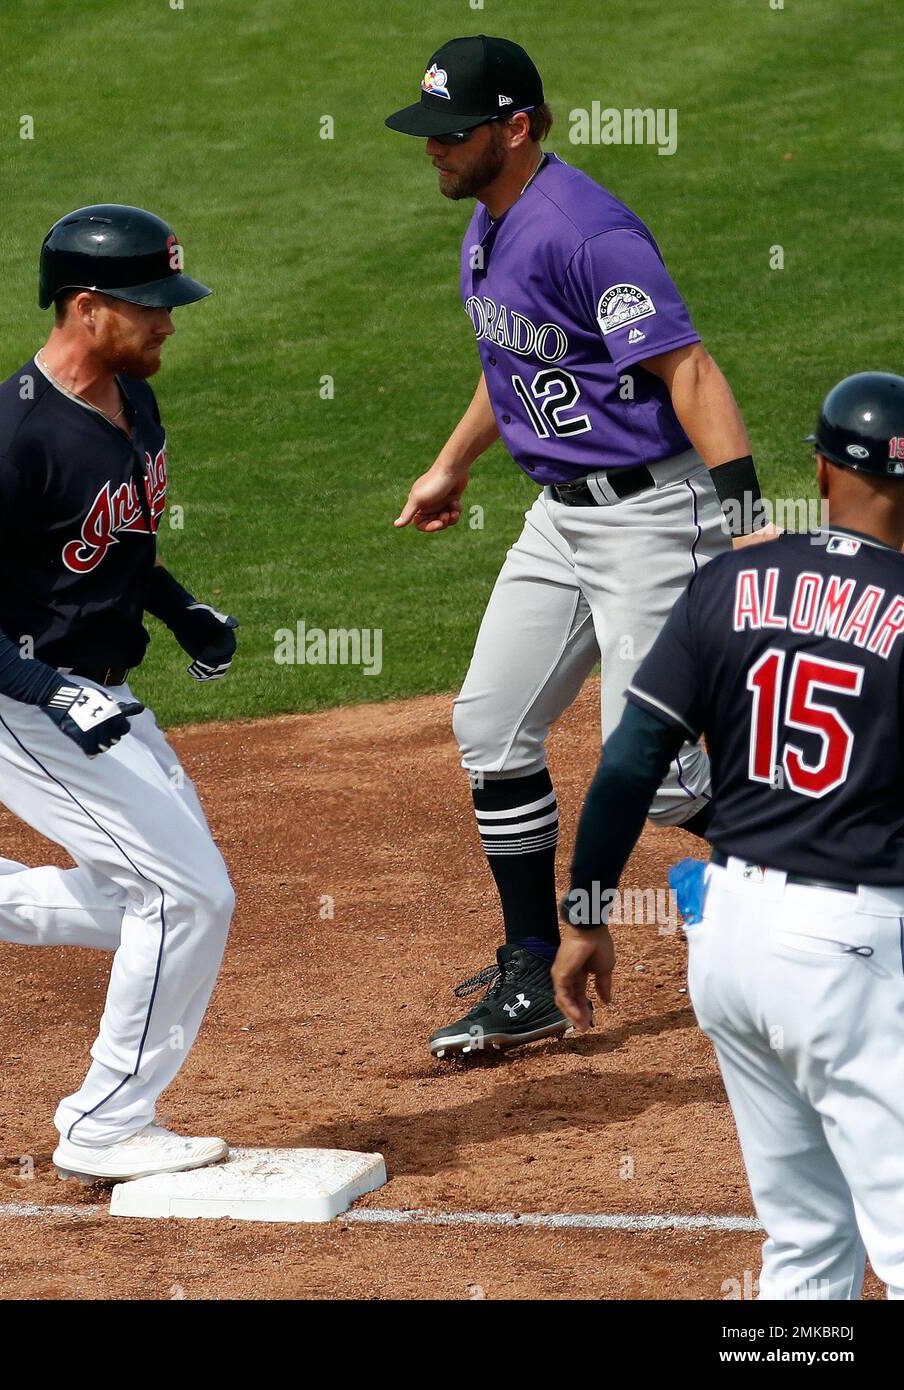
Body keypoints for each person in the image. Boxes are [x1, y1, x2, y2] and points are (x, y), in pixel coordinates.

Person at [385, 35, 771, 1058]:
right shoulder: (488, 220)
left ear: (517, 127)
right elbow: (511, 359)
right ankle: (528, 973)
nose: (433, 149)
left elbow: (687, 369)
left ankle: (846, 882)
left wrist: (748, 521)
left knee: (669, 775)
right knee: (491, 722)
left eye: (451, 132)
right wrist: (452, 462)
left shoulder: (586, 231)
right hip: (560, 516)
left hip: (653, 516)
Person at [0, 204, 239, 1184]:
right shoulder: (9, 435)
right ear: (85, 306)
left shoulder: (134, 402)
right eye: (150, 305)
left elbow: (113, 544)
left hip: (102, 698)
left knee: (141, 903)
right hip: (21, 701)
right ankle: (107, 1121)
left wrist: (181, 609)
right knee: (188, 895)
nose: (168, 322)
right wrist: (44, 690)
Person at [555, 372, 904, 1300]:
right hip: (852, 956)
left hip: (730, 941)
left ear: (823, 472)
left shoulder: (735, 579)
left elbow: (631, 762)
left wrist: (586, 914)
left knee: (804, 1241)